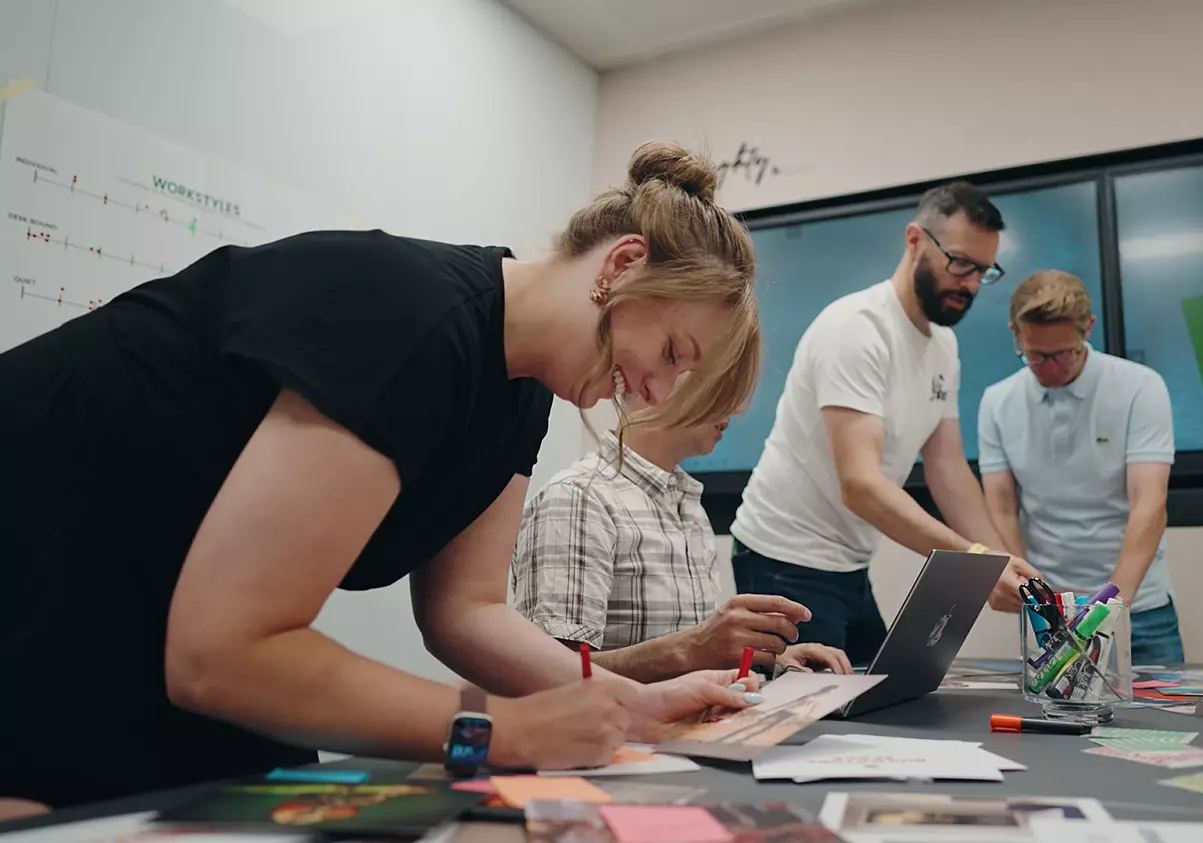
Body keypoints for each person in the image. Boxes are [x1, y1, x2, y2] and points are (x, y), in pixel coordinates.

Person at [0, 141, 765, 809]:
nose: (660, 394)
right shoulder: (411, 318)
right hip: (41, 564)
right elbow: (225, 651)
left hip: (143, 602)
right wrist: (498, 728)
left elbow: (466, 609)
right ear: (623, 264)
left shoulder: (523, 392)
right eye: (671, 352)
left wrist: (626, 704)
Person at [729, 181, 1038, 665]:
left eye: (984, 271)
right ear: (914, 240)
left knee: (889, 696)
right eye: (960, 263)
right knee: (815, 722)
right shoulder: (857, 329)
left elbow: (949, 469)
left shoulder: (943, 346)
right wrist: (976, 564)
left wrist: (1002, 563)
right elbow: (861, 485)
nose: (972, 284)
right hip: (783, 557)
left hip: (848, 561)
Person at [510, 394, 853, 681]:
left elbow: (694, 656)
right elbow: (548, 677)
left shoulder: (686, 504)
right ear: (658, 377)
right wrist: (690, 650)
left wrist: (770, 658)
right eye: (723, 383)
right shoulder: (577, 499)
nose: (737, 410)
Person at [976, 270, 1181, 665]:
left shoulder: (1140, 387)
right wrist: (1033, 597)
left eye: (1063, 353)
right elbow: (1001, 509)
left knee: (1158, 722)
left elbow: (1149, 504)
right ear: (1015, 334)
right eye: (1035, 355)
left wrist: (1108, 610)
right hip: (1051, 612)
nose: (1050, 368)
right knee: (1054, 723)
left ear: (1088, 328)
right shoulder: (997, 402)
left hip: (1138, 608)